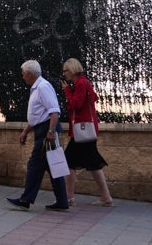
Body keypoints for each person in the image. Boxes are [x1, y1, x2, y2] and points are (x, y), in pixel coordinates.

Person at [7, 59, 69, 211]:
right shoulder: (37, 87)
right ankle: (62, 201)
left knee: (34, 165)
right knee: (52, 166)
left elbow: (54, 111)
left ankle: (26, 199)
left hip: (46, 131)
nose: (22, 77)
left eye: (23, 74)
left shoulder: (43, 87)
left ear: (29, 73)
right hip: (42, 129)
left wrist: (51, 131)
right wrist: (25, 131)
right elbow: (37, 115)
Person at [62, 58, 114, 207]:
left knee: (72, 161)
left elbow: (76, 105)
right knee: (90, 163)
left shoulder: (80, 83)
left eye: (65, 71)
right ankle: (104, 196)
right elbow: (93, 98)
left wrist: (67, 91)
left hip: (82, 130)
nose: (64, 74)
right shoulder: (84, 82)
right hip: (86, 130)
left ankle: (69, 196)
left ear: (72, 70)